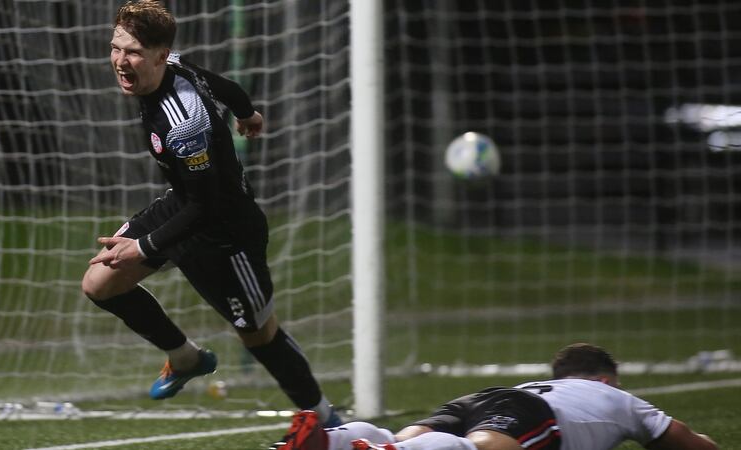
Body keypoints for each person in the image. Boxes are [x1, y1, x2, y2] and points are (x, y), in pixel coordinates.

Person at [81, 0, 340, 427]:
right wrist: (247, 112)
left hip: (226, 234)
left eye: (133, 53)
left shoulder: (184, 125)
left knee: (260, 336)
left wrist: (143, 246)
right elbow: (228, 86)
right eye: (115, 48)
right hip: (184, 205)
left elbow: (209, 205)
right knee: (99, 282)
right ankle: (186, 358)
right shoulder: (177, 66)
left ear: (161, 55)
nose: (120, 62)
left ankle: (329, 419)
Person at [273, 343, 718, 450]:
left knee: (404, 439)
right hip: (529, 412)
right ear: (606, 380)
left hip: (480, 398)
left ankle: (331, 440)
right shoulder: (616, 399)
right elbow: (686, 441)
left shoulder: (544, 383)